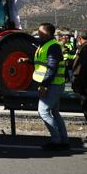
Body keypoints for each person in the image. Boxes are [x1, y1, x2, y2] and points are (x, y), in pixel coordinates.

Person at [32, 23, 69, 151]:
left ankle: (56, 140)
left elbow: (52, 68)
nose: (38, 34)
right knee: (54, 112)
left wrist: (44, 85)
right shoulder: (46, 45)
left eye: (41, 32)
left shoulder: (52, 47)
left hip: (52, 84)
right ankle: (64, 140)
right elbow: (43, 63)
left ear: (48, 34)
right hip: (54, 84)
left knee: (43, 111)